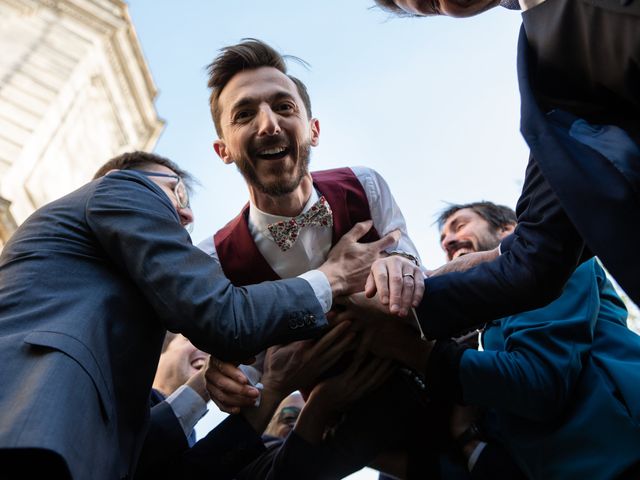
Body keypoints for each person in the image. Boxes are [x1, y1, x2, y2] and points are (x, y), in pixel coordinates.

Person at [0, 151, 395, 479]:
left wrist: (219, 385)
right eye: (179, 193)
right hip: (31, 434)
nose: (187, 217)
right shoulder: (124, 187)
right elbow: (219, 314)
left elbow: (147, 454)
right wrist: (330, 278)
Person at [200, 39, 432, 478]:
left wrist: (401, 265)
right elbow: (246, 371)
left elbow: (412, 266)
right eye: (245, 114)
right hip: (351, 439)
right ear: (224, 149)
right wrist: (228, 379)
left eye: (284, 107)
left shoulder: (365, 185)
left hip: (450, 387)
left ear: (314, 130)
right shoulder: (214, 261)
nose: (268, 125)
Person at [367, 0, 640, 341]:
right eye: (434, 5)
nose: (450, 239)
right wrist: (408, 289)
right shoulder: (551, 86)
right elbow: (536, 256)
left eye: (461, 224)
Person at [362, 201, 640, 479]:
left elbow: (539, 381)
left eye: (460, 225)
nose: (448, 241)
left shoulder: (554, 261)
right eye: (442, 239)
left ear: (509, 229)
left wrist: (419, 353)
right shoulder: (486, 331)